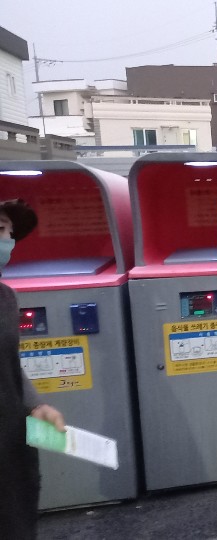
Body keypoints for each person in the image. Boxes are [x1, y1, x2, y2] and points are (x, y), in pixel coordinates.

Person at [0, 199, 66, 540]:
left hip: (11, 449)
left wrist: (34, 405)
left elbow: (9, 364)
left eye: (4, 231)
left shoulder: (6, 298)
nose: (4, 239)